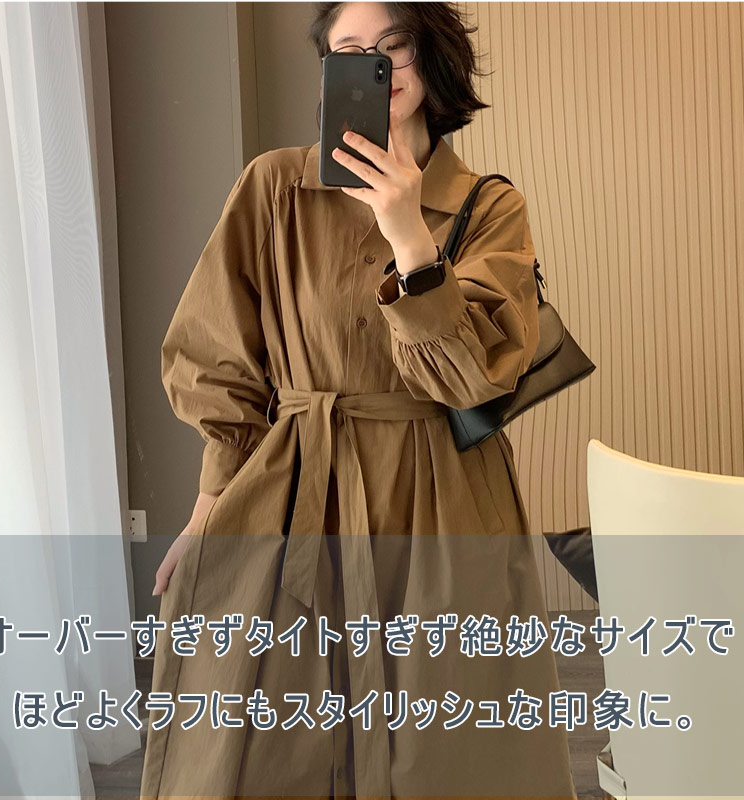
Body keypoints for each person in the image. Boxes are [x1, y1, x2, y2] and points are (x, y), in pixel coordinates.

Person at [140, 3, 578, 799]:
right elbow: (219, 358)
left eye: (393, 46)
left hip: (441, 502)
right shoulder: (276, 186)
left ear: (431, 58)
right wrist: (207, 512)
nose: (376, 65)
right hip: (295, 487)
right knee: (268, 736)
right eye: (350, 50)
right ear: (328, 73)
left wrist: (409, 234)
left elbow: (471, 379)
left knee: (448, 745)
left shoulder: (489, 206)